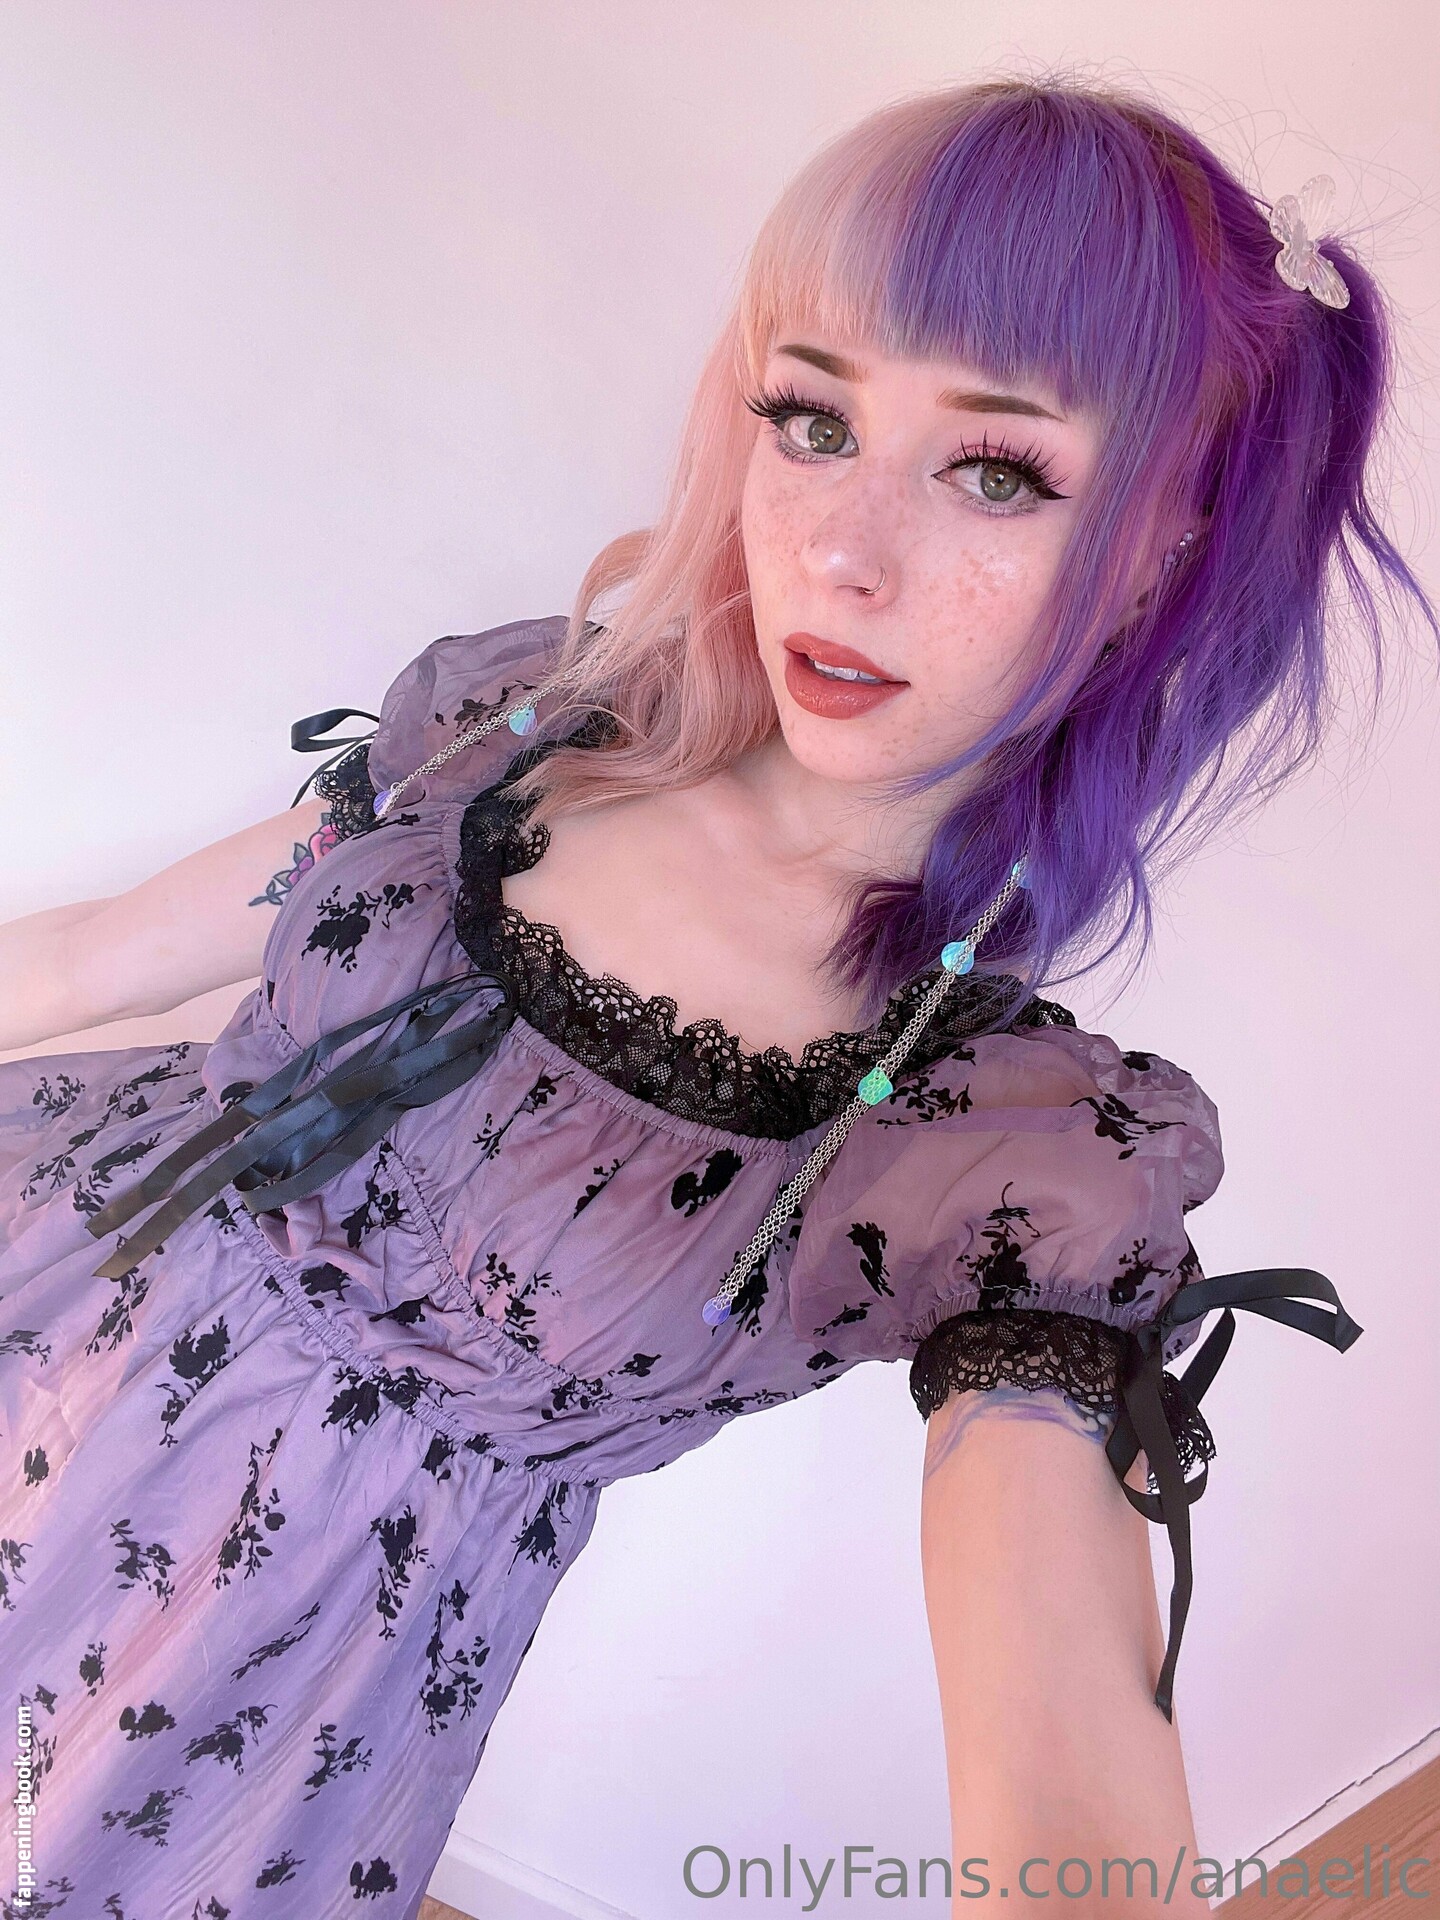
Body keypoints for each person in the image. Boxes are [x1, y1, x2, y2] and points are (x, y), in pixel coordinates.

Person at [0, 76, 1431, 1920]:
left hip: (225, 1695)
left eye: (997, 471)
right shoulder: (520, 726)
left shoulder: (1000, 1146)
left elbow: (1061, 1733)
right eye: (813, 421)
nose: (842, 550)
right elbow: (89, 955)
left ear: (1166, 542)